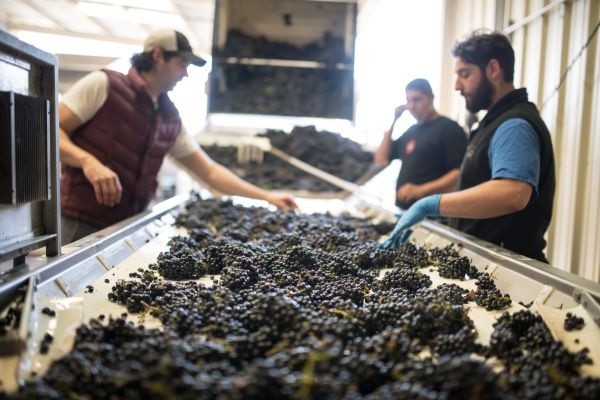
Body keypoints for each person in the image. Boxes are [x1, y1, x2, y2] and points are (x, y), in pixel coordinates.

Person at [59, 29, 297, 244]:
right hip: (79, 221)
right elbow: (49, 131)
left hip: (126, 227)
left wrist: (267, 196)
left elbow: (210, 172)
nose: (185, 74)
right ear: (158, 56)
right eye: (182, 64)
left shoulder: (169, 117)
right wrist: (86, 161)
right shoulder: (104, 85)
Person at [381, 31, 556, 263]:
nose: (457, 85)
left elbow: (513, 193)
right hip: (486, 261)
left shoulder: (514, 126)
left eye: (464, 74)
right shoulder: (493, 123)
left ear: (493, 69)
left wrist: (431, 203)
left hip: (508, 270)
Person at [374, 78, 467, 210]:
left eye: (417, 99)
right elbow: (381, 159)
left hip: (432, 215)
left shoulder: (450, 128)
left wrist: (419, 190)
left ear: (431, 98)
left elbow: (458, 174)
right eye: (408, 101)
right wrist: (393, 121)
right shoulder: (412, 131)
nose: (411, 106)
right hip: (404, 212)